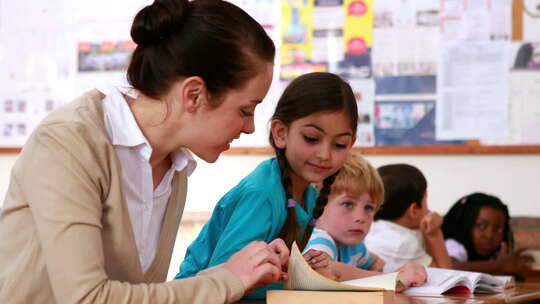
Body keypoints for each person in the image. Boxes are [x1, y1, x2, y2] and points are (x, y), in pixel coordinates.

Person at [0, 1, 289, 303]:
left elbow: (141, 296)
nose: (250, 128)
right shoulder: (67, 142)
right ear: (194, 94)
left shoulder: (174, 170)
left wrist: (244, 271)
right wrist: (228, 280)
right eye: (245, 110)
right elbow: (86, 298)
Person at [176, 72, 360, 298]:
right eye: (311, 138)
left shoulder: (309, 195)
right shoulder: (262, 194)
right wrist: (296, 281)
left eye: (340, 144)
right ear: (281, 133)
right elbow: (227, 283)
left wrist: (303, 268)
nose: (324, 154)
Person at [304, 153, 427, 290]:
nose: (360, 217)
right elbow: (324, 271)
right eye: (348, 204)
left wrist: (404, 270)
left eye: (369, 208)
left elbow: (376, 264)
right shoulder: (318, 238)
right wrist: (392, 278)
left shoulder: (354, 247)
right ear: (318, 205)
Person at [364, 164, 452, 272]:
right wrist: (434, 233)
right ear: (414, 210)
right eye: (425, 201)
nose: (429, 210)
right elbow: (445, 274)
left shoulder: (372, 227)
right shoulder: (404, 242)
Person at [442, 192, 535, 275]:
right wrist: (499, 265)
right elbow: (449, 267)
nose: (489, 235)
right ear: (464, 225)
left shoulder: (495, 254)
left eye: (498, 230)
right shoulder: (455, 246)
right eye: (481, 226)